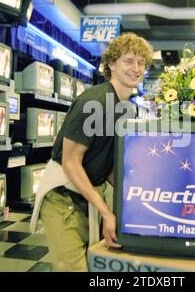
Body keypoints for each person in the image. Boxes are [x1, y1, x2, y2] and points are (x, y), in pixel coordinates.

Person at [29, 33, 153, 272]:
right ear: (112, 64)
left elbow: (108, 168)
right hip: (62, 198)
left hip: (89, 197)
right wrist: (106, 212)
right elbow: (71, 161)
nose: (136, 68)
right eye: (128, 61)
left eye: (141, 63)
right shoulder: (94, 101)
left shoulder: (128, 110)